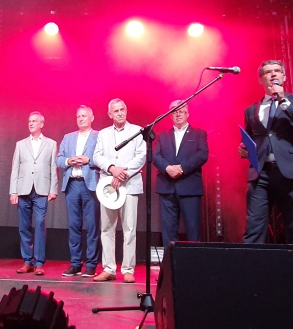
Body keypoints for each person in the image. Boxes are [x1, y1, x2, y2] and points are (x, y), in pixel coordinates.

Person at [238, 60, 293, 244]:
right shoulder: (251, 110)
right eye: (268, 72)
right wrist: (244, 147)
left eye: (277, 71)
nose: (273, 74)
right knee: (253, 229)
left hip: (291, 173)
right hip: (261, 173)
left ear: (284, 77)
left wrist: (284, 102)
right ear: (260, 80)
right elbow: (251, 137)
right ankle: (251, 262)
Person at [92, 98, 146, 282]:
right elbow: (97, 156)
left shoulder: (137, 131)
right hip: (108, 185)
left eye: (122, 109)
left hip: (129, 185)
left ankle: (128, 269)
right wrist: (112, 169)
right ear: (110, 114)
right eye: (116, 111)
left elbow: (141, 156)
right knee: (107, 228)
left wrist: (123, 173)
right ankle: (109, 268)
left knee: (129, 228)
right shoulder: (103, 134)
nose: (120, 113)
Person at [153, 100, 209, 247]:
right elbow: (156, 156)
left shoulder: (199, 134)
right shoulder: (162, 135)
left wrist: (182, 168)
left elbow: (202, 155)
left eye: (181, 110)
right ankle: (170, 261)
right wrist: (167, 168)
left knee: (192, 231)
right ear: (170, 115)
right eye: (174, 111)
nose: (178, 114)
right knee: (168, 232)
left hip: (190, 187)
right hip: (167, 187)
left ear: (187, 114)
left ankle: (193, 261)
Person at [9, 111, 59, 276]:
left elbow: (53, 168)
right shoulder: (20, 144)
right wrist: (13, 191)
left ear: (41, 124)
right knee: (24, 226)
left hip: (41, 189)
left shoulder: (51, 144)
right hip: (23, 189)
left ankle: (39, 262)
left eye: (34, 121)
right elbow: (15, 168)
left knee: (39, 224)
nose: (31, 123)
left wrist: (53, 189)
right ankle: (27, 261)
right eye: (29, 121)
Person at [56, 105, 100, 277]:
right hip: (72, 185)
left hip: (90, 185)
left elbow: (103, 159)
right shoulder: (68, 137)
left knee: (92, 226)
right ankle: (75, 263)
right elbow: (58, 159)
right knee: (73, 225)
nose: (81, 119)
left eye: (84, 116)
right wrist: (69, 161)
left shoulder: (99, 136)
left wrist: (89, 160)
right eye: (78, 116)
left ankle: (91, 264)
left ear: (92, 118)